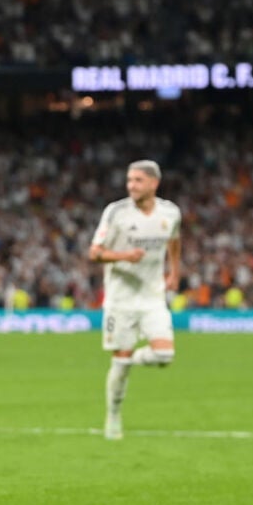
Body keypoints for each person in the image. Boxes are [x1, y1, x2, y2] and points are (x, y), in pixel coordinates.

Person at [88, 160, 181, 440]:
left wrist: (174, 271)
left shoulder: (170, 212)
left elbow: (174, 239)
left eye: (138, 180)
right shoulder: (116, 212)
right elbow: (95, 252)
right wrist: (124, 256)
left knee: (164, 355)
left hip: (153, 296)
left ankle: (126, 364)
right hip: (121, 299)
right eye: (129, 180)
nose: (131, 186)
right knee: (120, 356)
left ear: (154, 183)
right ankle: (113, 416)